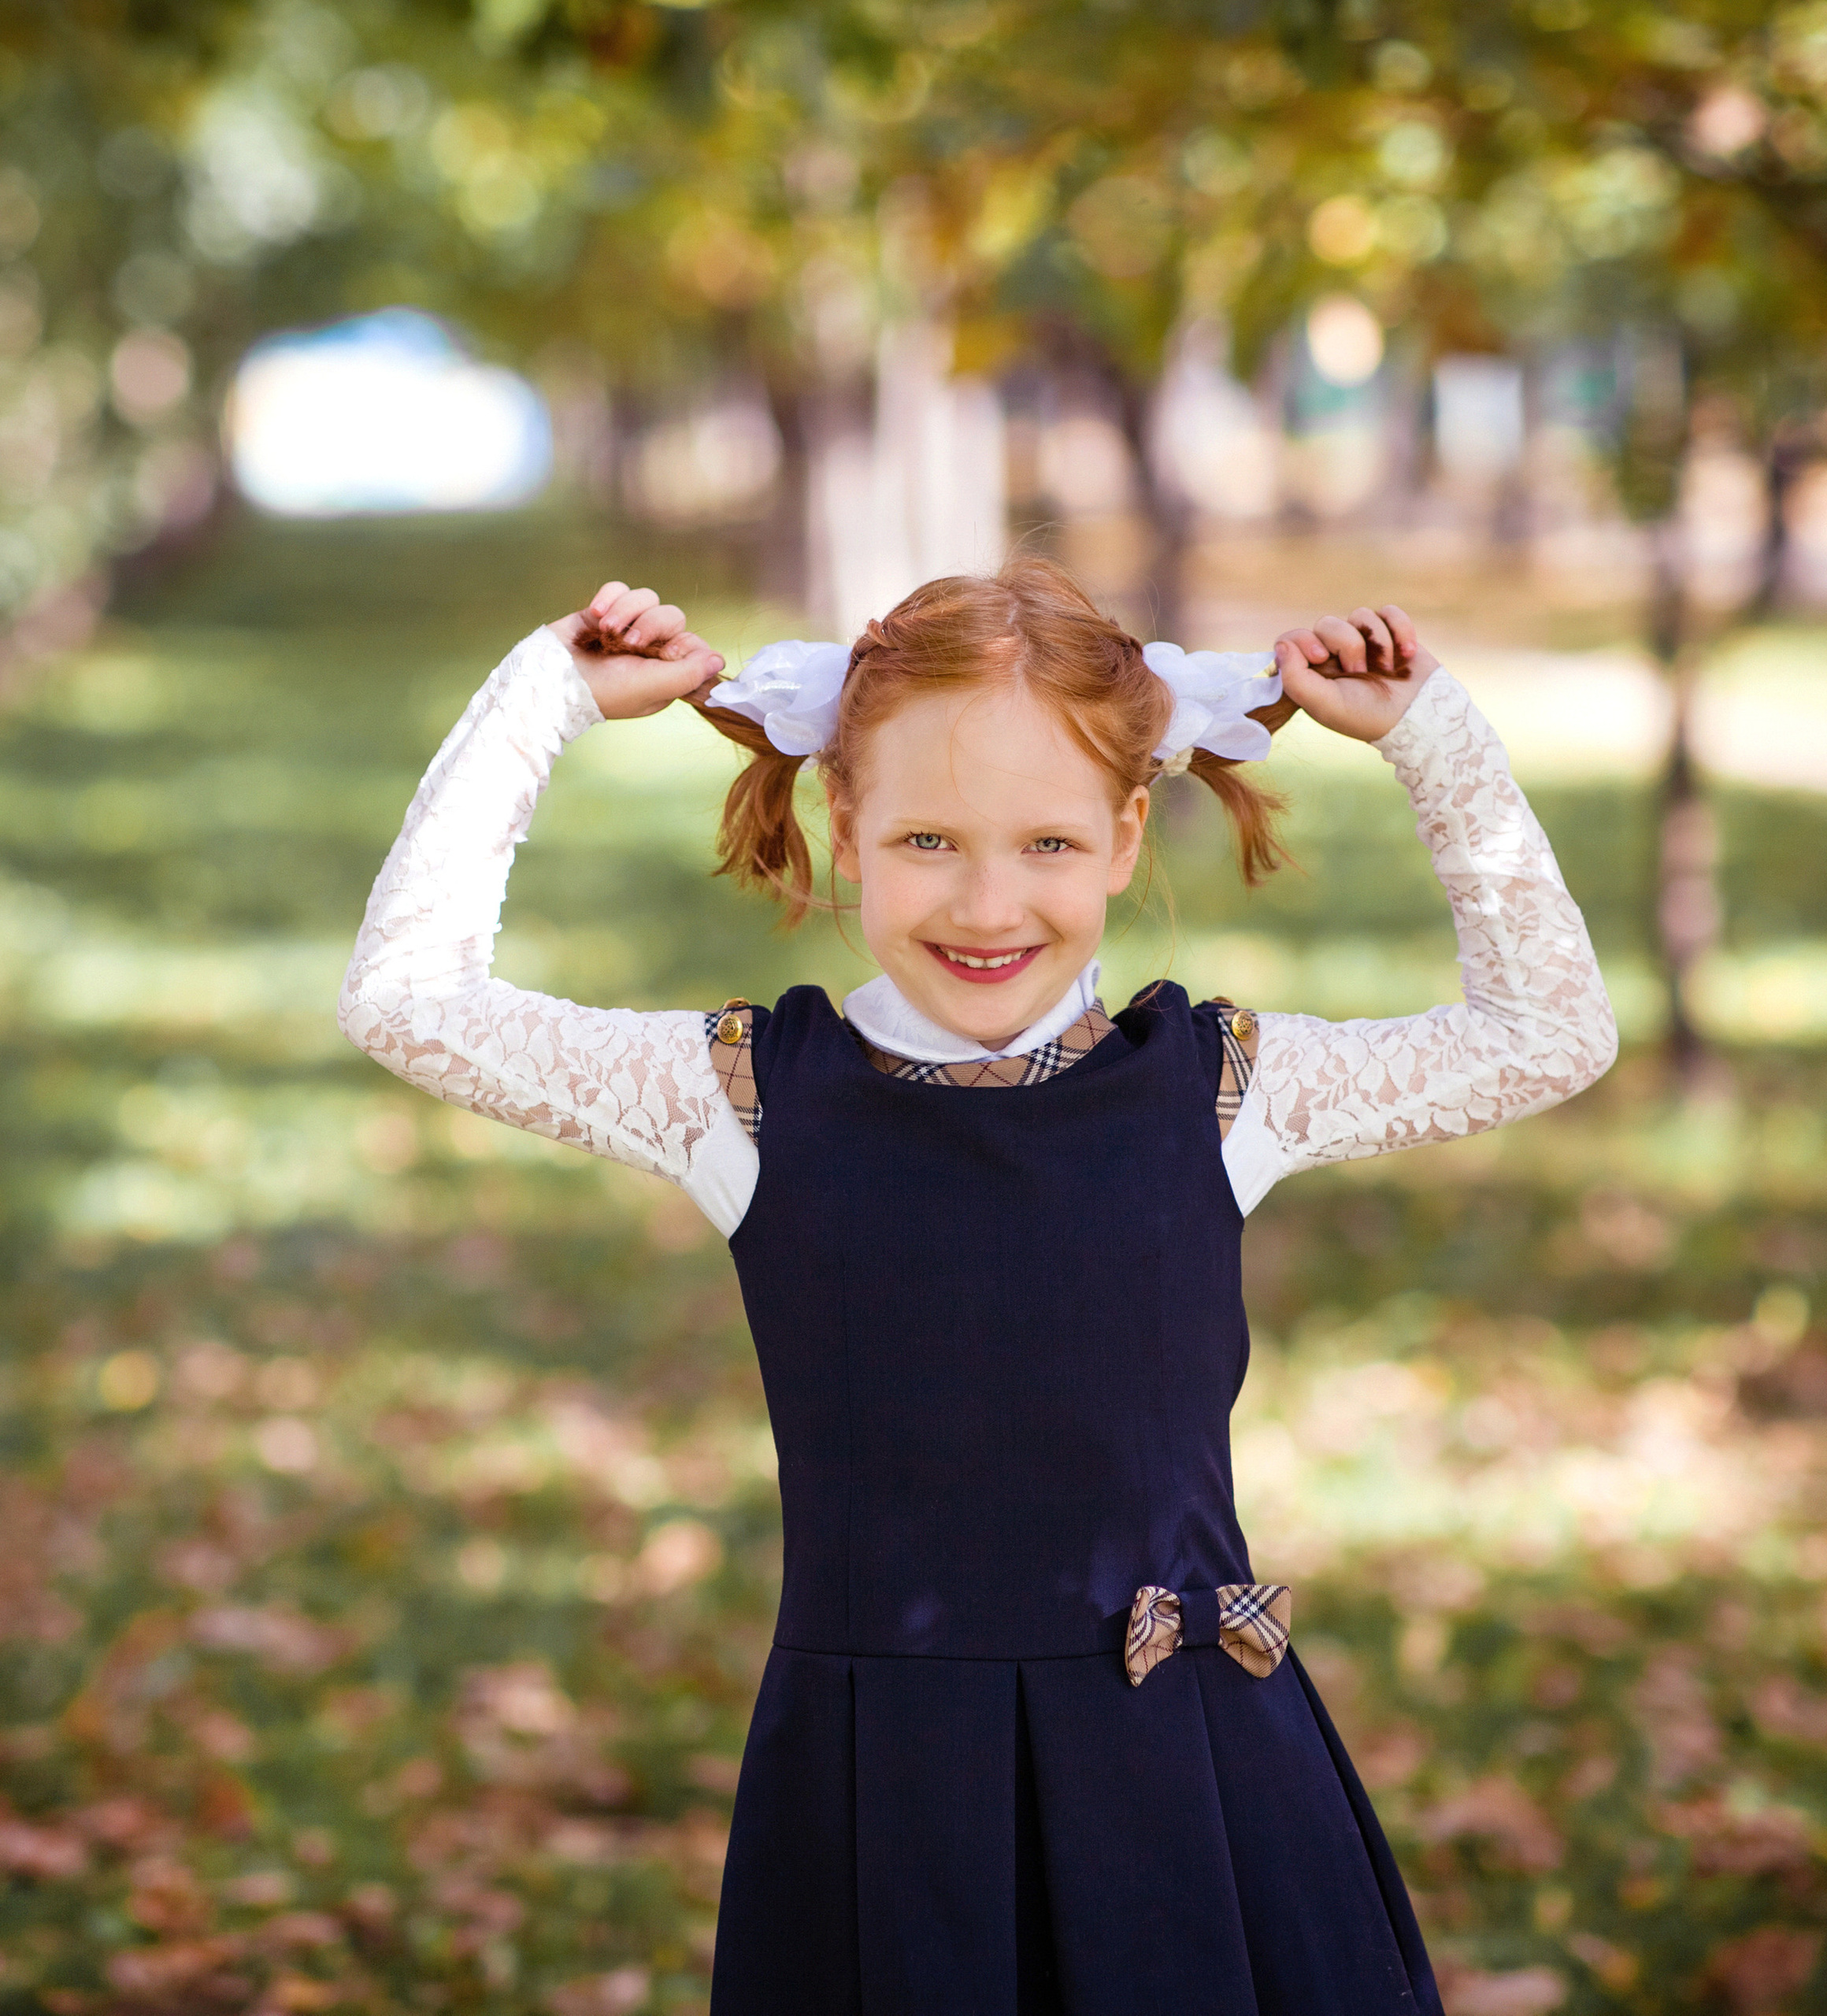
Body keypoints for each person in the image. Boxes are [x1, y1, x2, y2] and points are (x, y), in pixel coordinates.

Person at [339, 556, 1618, 2015]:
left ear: (1131, 836)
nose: (989, 903)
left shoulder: (1220, 1091)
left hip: (1186, 1775)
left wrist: (1427, 732)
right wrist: (546, 697)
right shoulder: (745, 1097)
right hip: (891, 1800)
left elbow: (1548, 1032)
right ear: (848, 830)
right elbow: (409, 1000)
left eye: (1051, 847)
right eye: (932, 839)